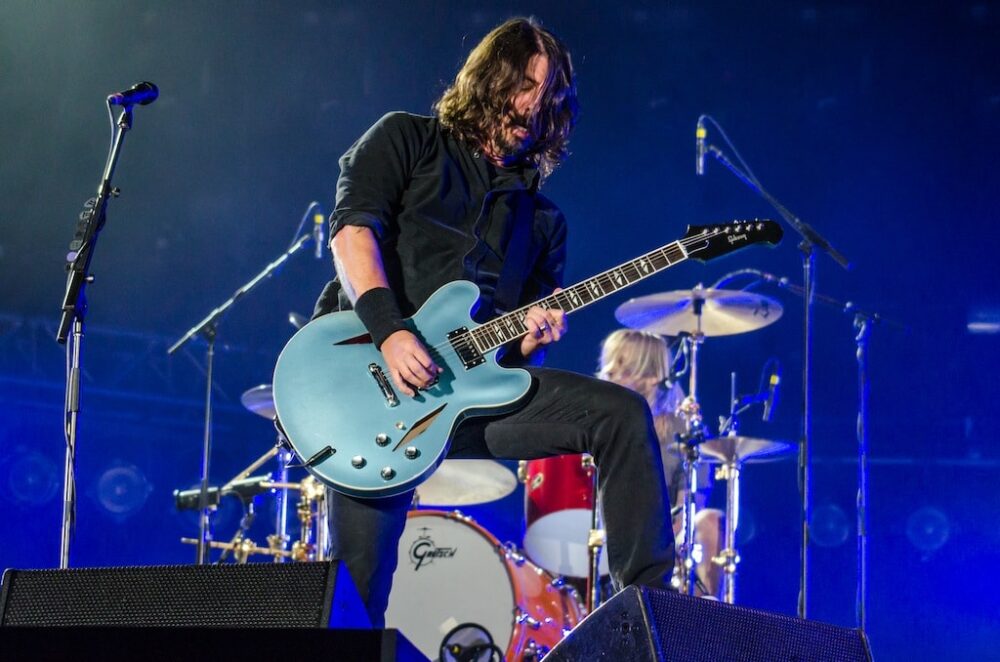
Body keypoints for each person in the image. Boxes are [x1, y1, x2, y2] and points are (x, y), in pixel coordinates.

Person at [314, 17, 675, 626]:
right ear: (488, 77)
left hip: (470, 399)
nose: (533, 105)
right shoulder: (406, 138)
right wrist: (390, 330)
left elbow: (509, 359)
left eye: (548, 95)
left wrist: (530, 343)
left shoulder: (543, 223)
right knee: (358, 592)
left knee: (621, 414)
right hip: (372, 389)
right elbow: (352, 233)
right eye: (524, 85)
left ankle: (649, 621)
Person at [597, 328, 724, 598]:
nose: (609, 371)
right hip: (602, 540)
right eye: (610, 362)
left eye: (622, 365)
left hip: (661, 545)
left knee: (711, 520)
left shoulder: (683, 431)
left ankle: (708, 615)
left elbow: (690, 507)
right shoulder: (597, 425)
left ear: (653, 376)